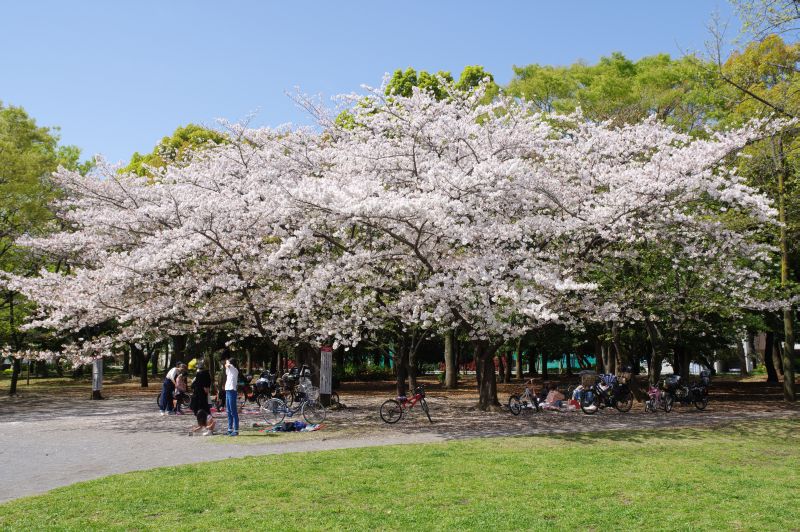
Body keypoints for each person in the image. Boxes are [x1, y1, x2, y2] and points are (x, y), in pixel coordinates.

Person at [224, 358, 240, 436]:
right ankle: (230, 429)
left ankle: (236, 430)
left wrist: (227, 362)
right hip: (227, 390)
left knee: (233, 411)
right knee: (228, 411)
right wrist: (227, 363)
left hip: (232, 391)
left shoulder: (234, 369)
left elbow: (227, 364)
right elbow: (226, 368)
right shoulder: (229, 370)